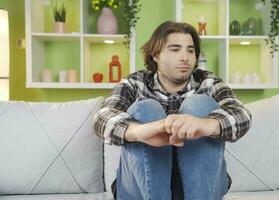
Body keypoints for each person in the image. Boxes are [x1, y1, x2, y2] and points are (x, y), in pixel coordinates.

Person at [93, 21, 252, 200]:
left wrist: (207, 124)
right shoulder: (135, 83)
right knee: (146, 108)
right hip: (140, 189)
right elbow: (102, 119)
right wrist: (142, 131)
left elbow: (242, 115)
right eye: (175, 49)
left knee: (199, 104)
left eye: (190, 50)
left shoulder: (208, 83)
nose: (185, 57)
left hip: (202, 188)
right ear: (155, 55)